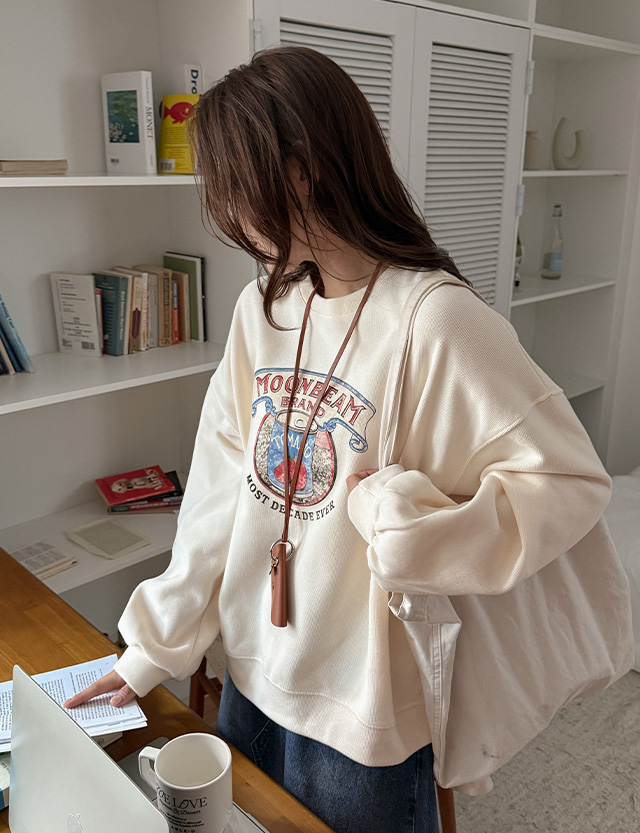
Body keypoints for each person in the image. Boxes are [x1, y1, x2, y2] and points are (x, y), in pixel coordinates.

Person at [65, 46, 613, 833]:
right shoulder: (263, 309)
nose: (227, 216)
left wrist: (414, 531)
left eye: (234, 189)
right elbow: (218, 496)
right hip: (249, 678)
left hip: (364, 716)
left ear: (300, 173)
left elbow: (569, 481)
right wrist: (150, 651)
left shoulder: (437, 321)